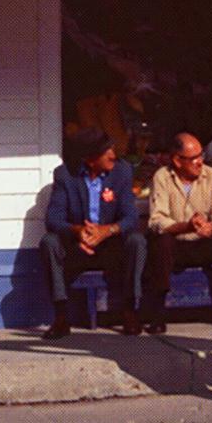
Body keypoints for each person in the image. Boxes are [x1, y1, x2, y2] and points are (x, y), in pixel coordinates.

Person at [41, 128, 147, 338]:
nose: (113, 155)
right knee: (49, 242)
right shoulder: (65, 175)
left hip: (110, 245)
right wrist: (78, 231)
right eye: (106, 151)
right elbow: (53, 219)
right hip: (78, 246)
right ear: (89, 159)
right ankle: (61, 316)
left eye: (112, 148)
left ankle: (130, 311)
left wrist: (107, 230)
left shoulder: (122, 171)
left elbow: (130, 217)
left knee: (137, 241)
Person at [141, 132, 212, 334]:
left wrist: (210, 228)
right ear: (177, 160)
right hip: (174, 243)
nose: (200, 162)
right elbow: (157, 221)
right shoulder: (162, 177)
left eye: (201, 156)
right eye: (194, 158)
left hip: (202, 241)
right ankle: (157, 314)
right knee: (160, 242)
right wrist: (186, 226)